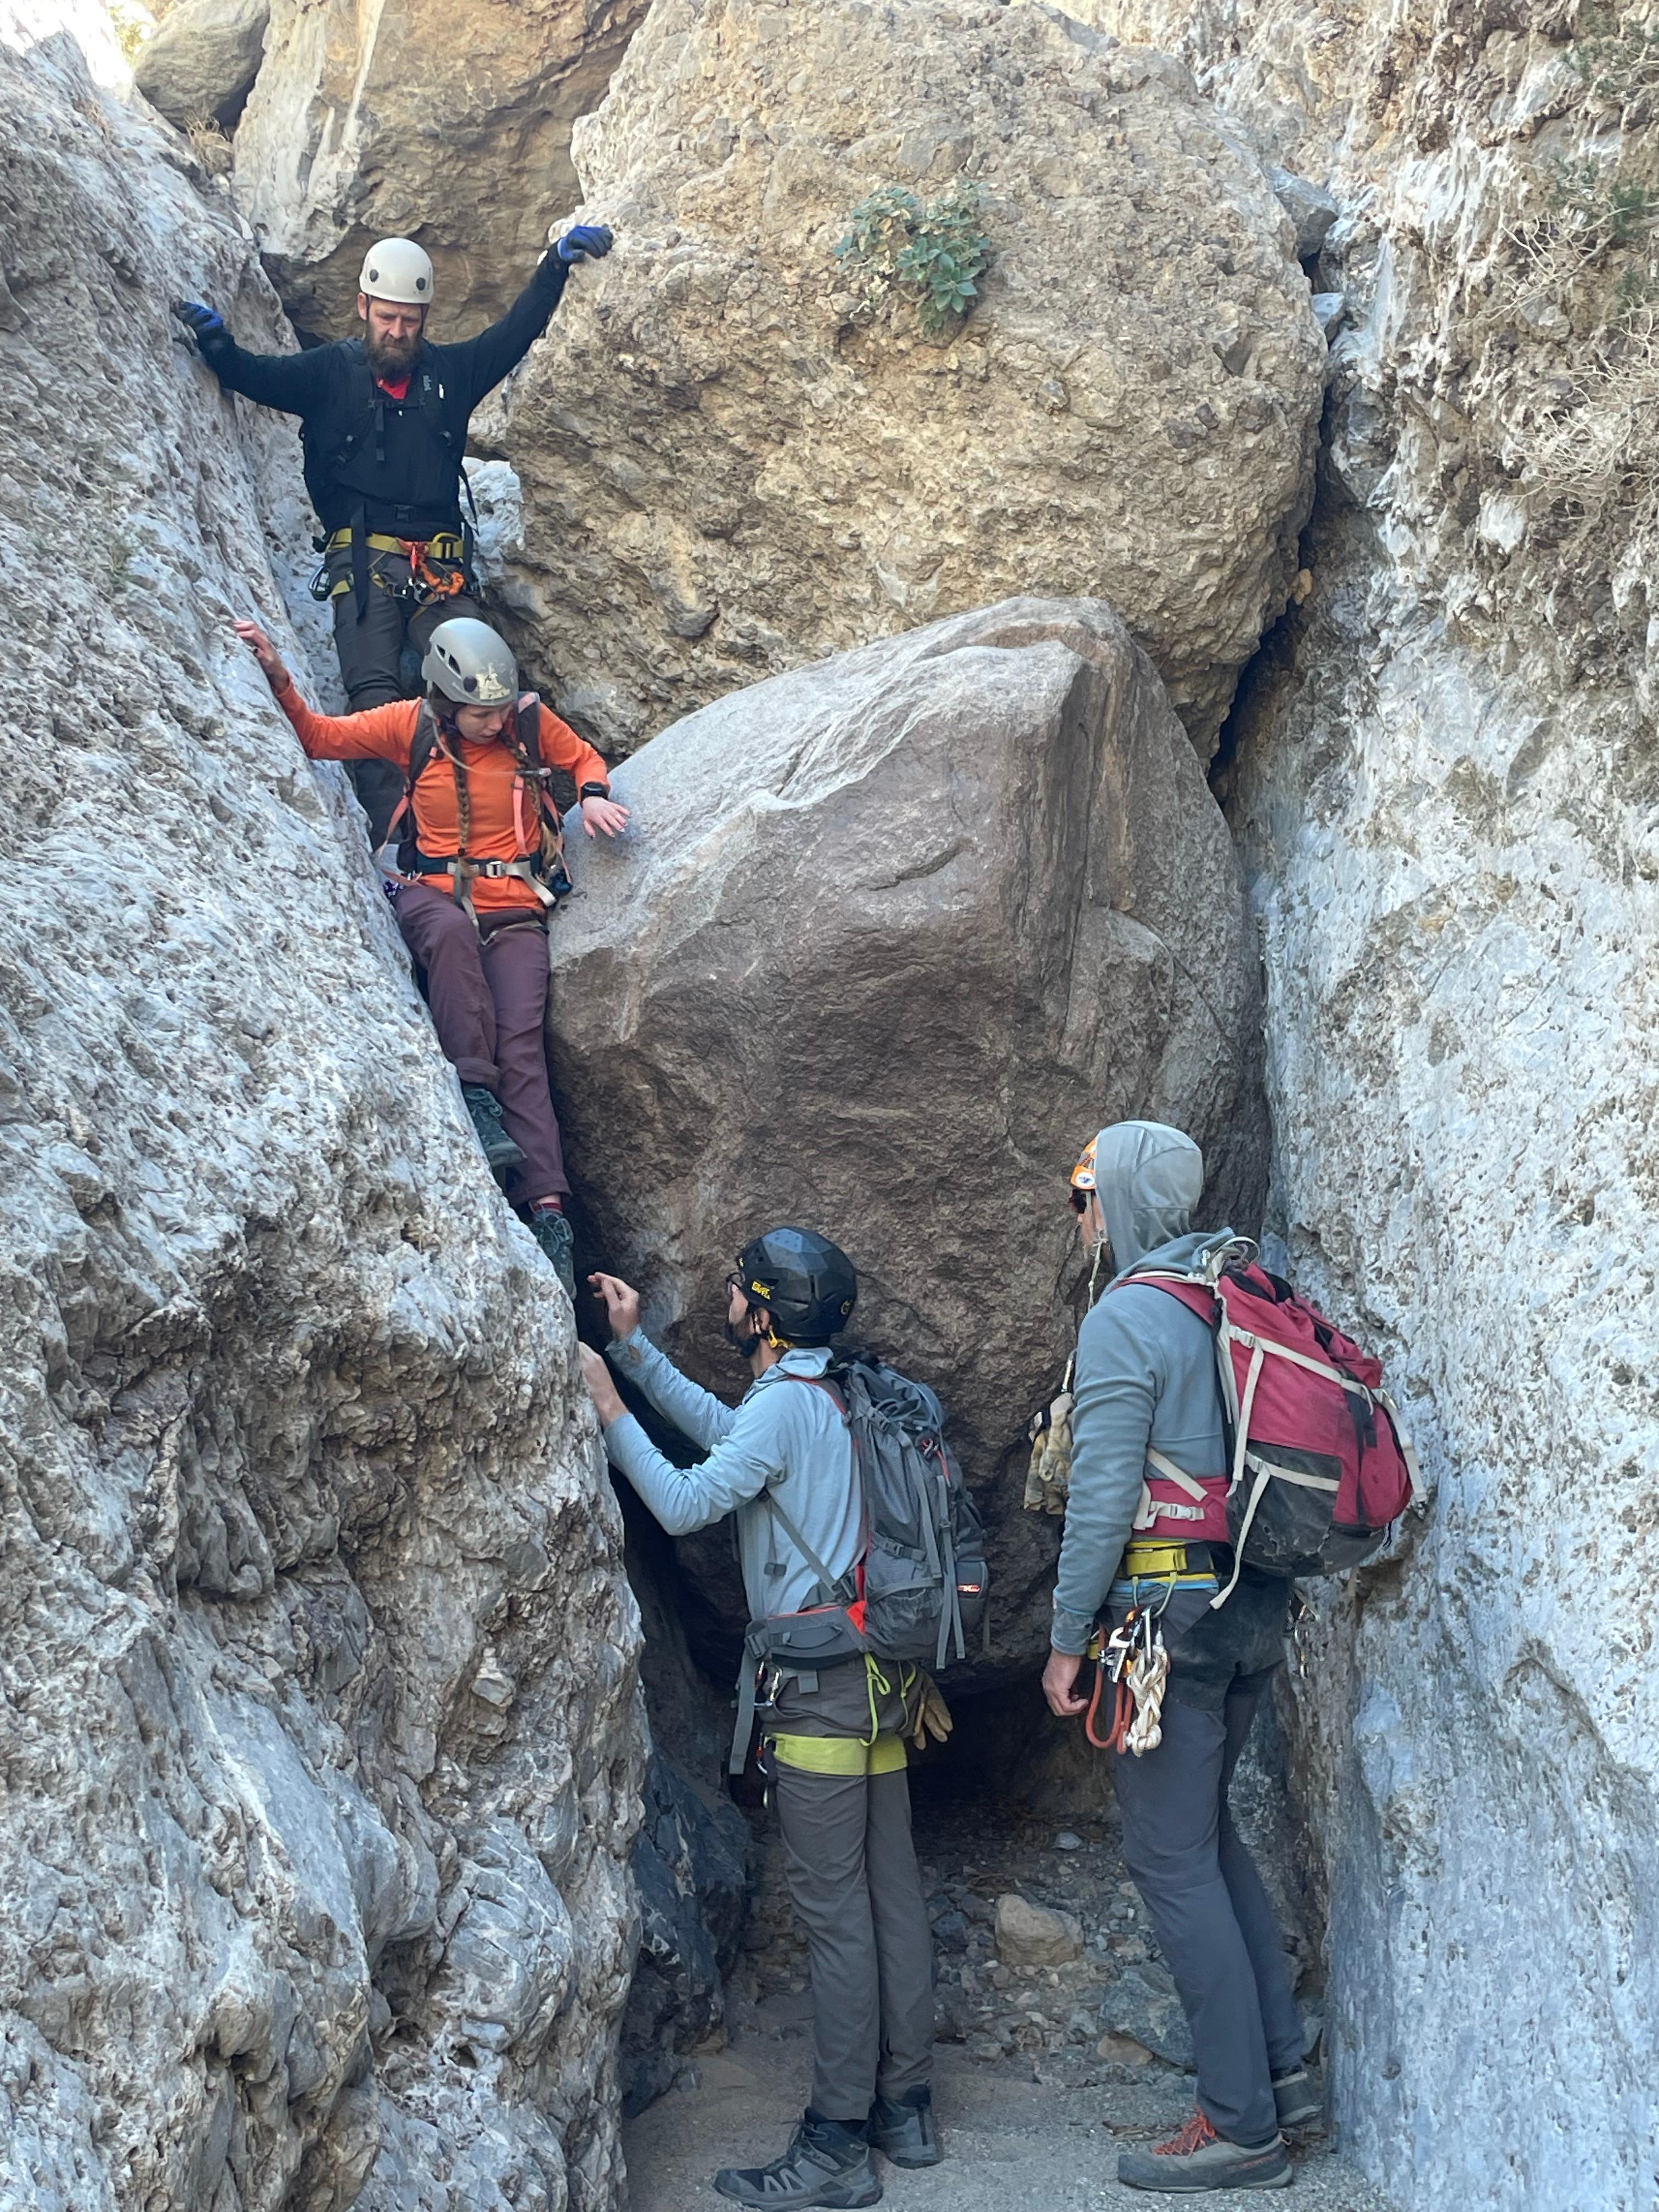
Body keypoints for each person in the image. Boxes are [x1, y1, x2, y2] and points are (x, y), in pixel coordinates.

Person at [580, 1229, 940, 2210]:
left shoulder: (786, 1404)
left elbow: (690, 1499)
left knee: (835, 1918)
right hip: (881, 1680)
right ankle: (903, 2105)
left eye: (741, 1289)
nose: (729, 1300)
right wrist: (632, 1350)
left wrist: (608, 1406)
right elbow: (732, 1434)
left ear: (766, 1311)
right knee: (889, 1894)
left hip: (817, 1688)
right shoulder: (838, 1391)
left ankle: (832, 2141)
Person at [1041, 1121, 1314, 2193]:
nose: (1081, 1213)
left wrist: (1068, 1644)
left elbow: (1102, 1502)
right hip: (1249, 1607)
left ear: (1117, 1197)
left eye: (1085, 1189)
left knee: (1167, 1859)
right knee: (1205, 1840)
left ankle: (1242, 2125)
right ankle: (1282, 2074)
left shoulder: (1128, 1319)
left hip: (1162, 1616)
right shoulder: (1230, 1293)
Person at [174, 225, 612, 842]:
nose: (398, 332)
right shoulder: (330, 373)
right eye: (387, 318)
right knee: (375, 701)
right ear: (363, 309)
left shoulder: (451, 375)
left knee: (486, 685)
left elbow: (514, 335)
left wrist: (553, 268)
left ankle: (514, 831)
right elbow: (256, 376)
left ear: (425, 316)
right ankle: (396, 848)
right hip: (364, 564)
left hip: (440, 569)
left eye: (410, 320)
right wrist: (218, 347)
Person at [235, 611, 628, 1296]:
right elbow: (321, 738)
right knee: (446, 939)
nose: (493, 722)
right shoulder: (410, 725)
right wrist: (275, 673)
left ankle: (548, 1211)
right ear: (446, 698)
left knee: (525, 1048)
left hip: (514, 908)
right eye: (479, 713)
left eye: (500, 709)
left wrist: (592, 795)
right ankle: (475, 1097)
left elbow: (583, 758)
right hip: (429, 893)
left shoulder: (530, 723)